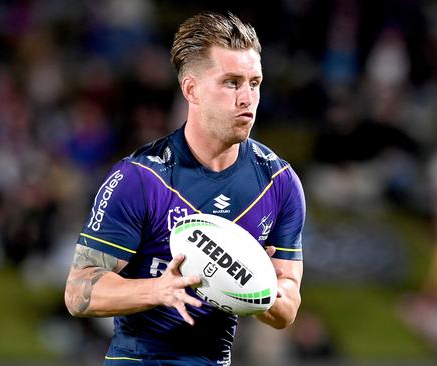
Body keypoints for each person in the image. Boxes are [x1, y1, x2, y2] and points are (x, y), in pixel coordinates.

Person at [64, 12, 306, 365]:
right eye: (231, 82)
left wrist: (260, 289)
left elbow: (288, 309)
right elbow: (78, 291)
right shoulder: (141, 178)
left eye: (254, 83)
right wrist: (157, 290)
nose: (247, 98)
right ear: (191, 89)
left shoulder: (279, 183)